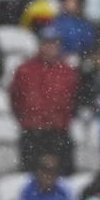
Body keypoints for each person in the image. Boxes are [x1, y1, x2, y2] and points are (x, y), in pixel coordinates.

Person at [10, 25, 78, 175]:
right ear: (40, 44)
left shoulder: (67, 72)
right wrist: (29, 119)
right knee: (30, 177)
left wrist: (59, 120)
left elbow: (74, 101)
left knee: (65, 177)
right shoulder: (25, 70)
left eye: (54, 43)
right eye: (47, 43)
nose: (50, 47)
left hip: (58, 133)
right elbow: (15, 99)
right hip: (33, 133)